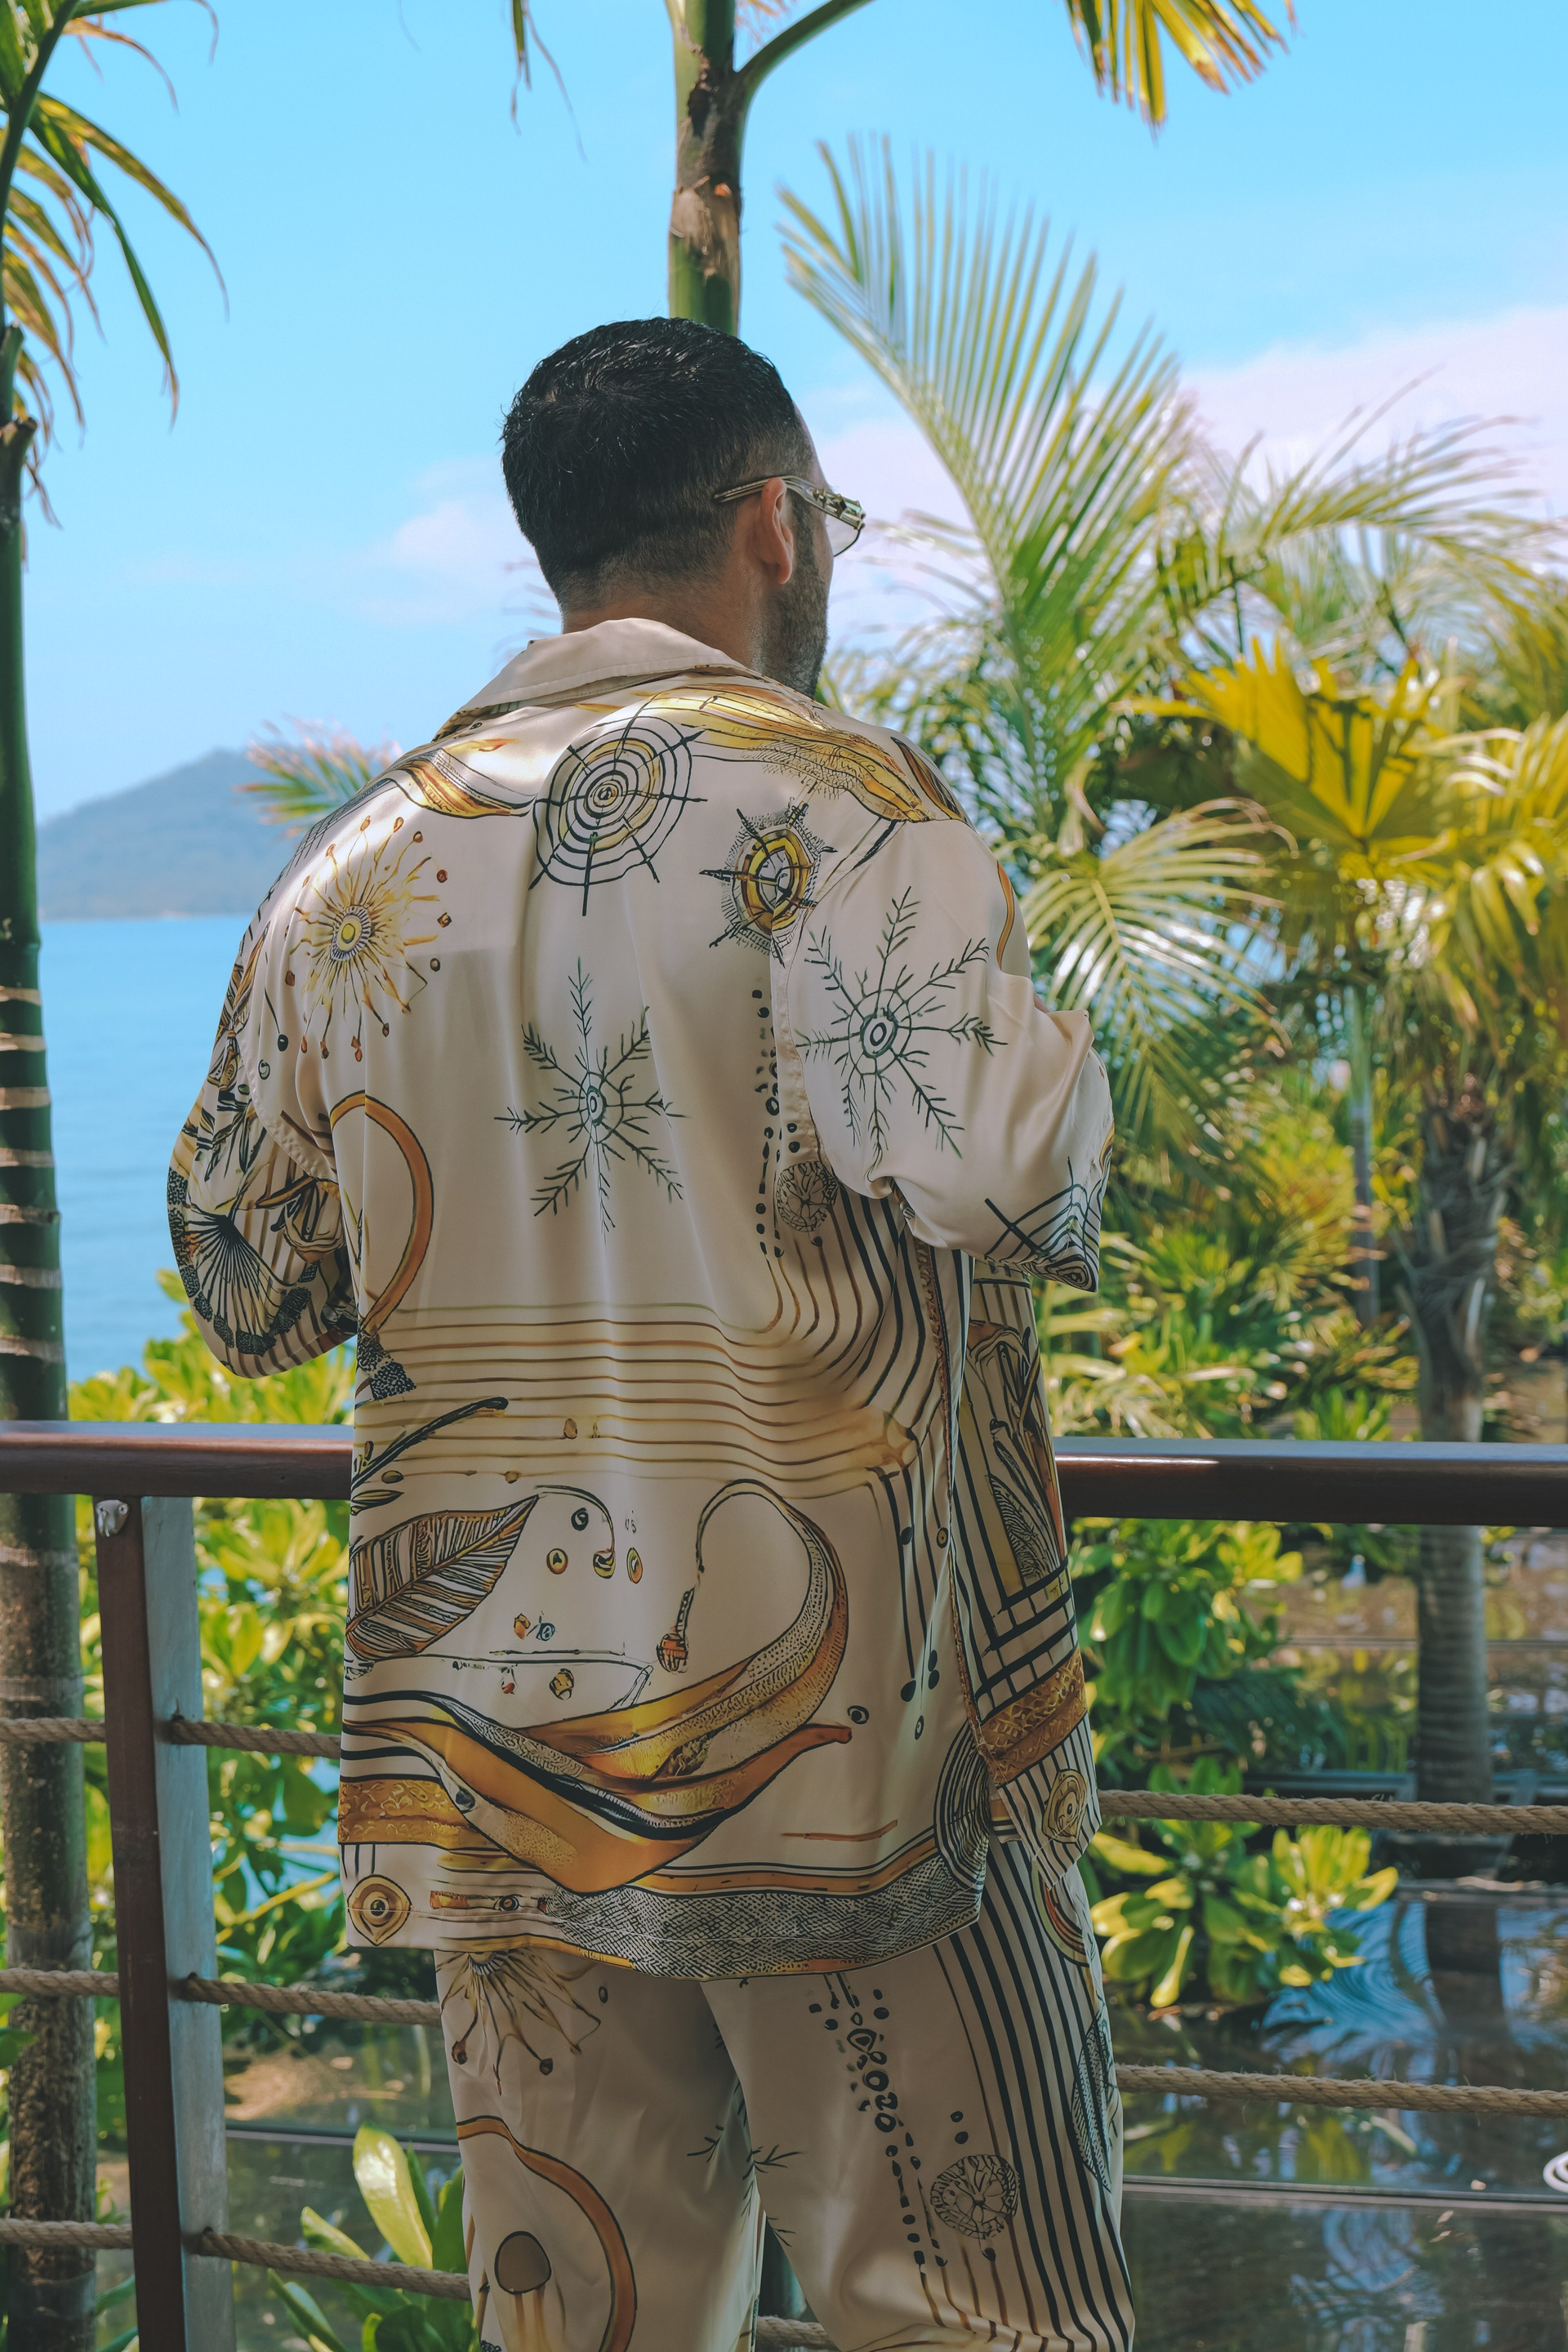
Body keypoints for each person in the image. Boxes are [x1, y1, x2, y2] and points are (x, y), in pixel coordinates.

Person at [171, 318, 1131, 2352]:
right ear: (777, 526)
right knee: (979, 2317)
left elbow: (246, 1288)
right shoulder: (847, 810)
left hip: (505, 1765)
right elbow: (1004, 1178)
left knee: (583, 2328)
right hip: (864, 1761)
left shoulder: (351, 866)